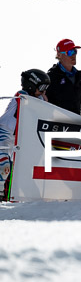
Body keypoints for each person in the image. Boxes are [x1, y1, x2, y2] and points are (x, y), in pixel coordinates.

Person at [1, 69, 50, 200]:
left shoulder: (39, 98)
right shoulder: (22, 96)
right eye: (42, 87)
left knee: (18, 169)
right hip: (4, 136)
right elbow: (29, 105)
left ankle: (11, 197)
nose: (44, 91)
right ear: (31, 85)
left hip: (17, 140)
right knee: (4, 166)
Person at [46, 39, 81, 115]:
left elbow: (78, 105)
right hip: (56, 122)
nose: (73, 55)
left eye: (75, 51)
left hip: (75, 122)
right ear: (59, 55)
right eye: (70, 52)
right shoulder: (51, 77)